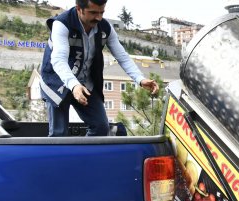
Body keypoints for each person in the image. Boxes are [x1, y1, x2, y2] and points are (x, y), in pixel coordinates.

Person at [40, 0, 158, 136]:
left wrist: (140, 79)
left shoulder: (105, 27)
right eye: (93, 12)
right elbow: (59, 60)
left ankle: (84, 157)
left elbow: (122, 56)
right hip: (57, 81)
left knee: (101, 128)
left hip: (85, 84)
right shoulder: (62, 24)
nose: (99, 17)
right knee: (58, 134)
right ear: (79, 9)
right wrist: (74, 86)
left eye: (102, 12)